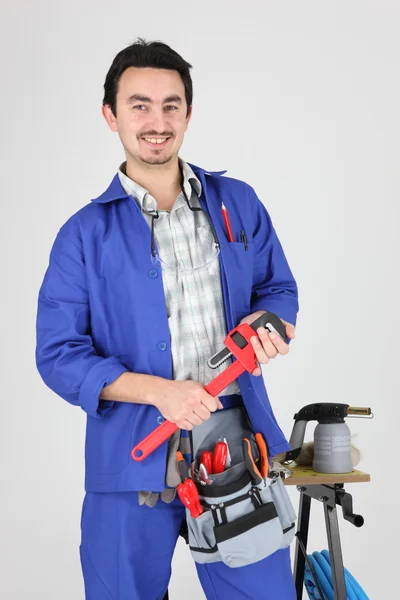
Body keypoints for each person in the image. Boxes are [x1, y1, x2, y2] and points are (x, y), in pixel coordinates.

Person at [36, 38, 299, 600]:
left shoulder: (237, 203)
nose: (157, 121)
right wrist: (160, 393)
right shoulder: (83, 236)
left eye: (171, 105)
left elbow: (278, 289)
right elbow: (57, 355)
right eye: (139, 105)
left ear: (188, 112)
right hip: (130, 460)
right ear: (111, 115)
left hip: (236, 448)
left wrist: (273, 324)